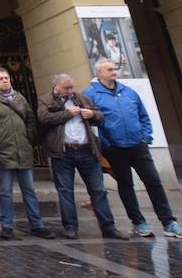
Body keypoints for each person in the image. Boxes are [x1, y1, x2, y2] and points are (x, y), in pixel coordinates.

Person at [84, 60, 182, 239]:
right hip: (114, 147)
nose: (114, 71)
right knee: (125, 184)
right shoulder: (90, 94)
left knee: (153, 181)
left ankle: (169, 222)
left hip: (138, 145)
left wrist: (145, 137)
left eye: (114, 68)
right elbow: (89, 122)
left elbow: (143, 115)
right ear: (99, 74)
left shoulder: (128, 92)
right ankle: (138, 222)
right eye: (109, 69)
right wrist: (105, 143)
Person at [38, 73, 128, 240]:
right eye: (66, 88)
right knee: (65, 191)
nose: (70, 91)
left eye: (71, 87)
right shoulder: (46, 100)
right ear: (56, 86)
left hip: (87, 150)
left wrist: (92, 114)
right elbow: (44, 119)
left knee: (98, 190)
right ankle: (70, 227)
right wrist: (67, 113)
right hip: (63, 152)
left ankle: (108, 227)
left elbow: (100, 115)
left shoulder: (82, 98)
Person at [0, 67, 54, 240]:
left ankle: (37, 225)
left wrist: (28, 138)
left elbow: (30, 119)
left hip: (23, 150)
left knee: (29, 190)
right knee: (6, 191)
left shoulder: (20, 98)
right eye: (0, 79)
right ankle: (6, 226)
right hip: (3, 151)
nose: (4, 80)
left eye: (6, 78)